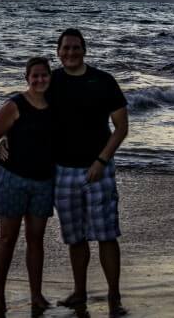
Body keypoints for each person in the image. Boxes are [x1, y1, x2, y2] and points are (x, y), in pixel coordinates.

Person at [48, 28, 129, 317]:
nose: (70, 53)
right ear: (58, 52)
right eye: (65, 48)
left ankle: (114, 296)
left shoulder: (103, 81)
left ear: (85, 50)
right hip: (63, 171)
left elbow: (121, 127)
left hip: (99, 169)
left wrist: (101, 161)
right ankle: (79, 292)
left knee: (107, 234)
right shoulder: (51, 81)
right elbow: (26, 110)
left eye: (76, 48)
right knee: (75, 236)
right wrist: (5, 137)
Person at [0, 56, 56, 314]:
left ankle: (36, 295)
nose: (39, 80)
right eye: (34, 76)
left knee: (36, 240)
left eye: (44, 75)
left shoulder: (56, 105)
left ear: (50, 76)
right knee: (7, 239)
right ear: (27, 78)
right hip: (12, 179)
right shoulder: (14, 105)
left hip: (44, 182)